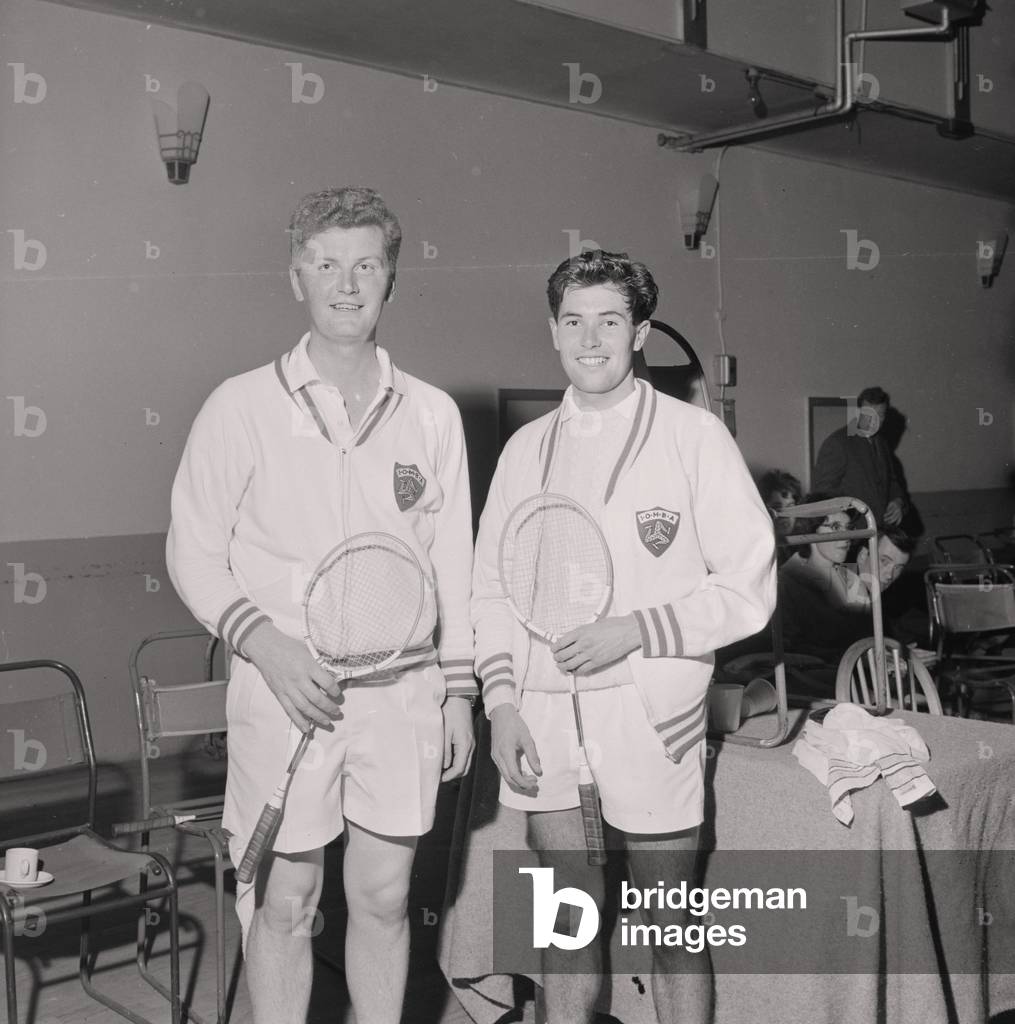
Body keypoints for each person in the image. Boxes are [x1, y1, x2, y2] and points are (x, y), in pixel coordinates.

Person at [167, 187, 476, 1024]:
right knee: (286, 905)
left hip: (403, 696)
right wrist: (265, 646)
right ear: (295, 275)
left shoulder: (433, 415)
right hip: (286, 688)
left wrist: (458, 691)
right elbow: (191, 548)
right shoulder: (241, 405)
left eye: (367, 264)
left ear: (391, 278)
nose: (347, 283)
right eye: (327, 264)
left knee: (381, 901)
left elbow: (454, 563)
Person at [471, 250, 776, 1024]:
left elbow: (748, 584)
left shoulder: (692, 435)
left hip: (648, 717)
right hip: (543, 717)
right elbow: (492, 588)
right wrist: (501, 703)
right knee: (564, 923)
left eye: (610, 320)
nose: (591, 339)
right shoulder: (523, 450)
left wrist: (636, 631)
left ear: (639, 331)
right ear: (552, 332)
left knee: (670, 922)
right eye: (573, 321)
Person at [778, 496, 871, 664]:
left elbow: (867, 638)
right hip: (808, 677)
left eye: (848, 528)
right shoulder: (786, 582)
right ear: (810, 530)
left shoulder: (852, 580)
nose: (846, 536)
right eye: (835, 527)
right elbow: (790, 647)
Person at [812, 386, 908, 527]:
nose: (874, 421)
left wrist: (898, 501)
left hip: (880, 531)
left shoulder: (881, 443)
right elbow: (823, 494)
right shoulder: (838, 443)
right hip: (854, 533)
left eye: (880, 415)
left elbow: (891, 481)